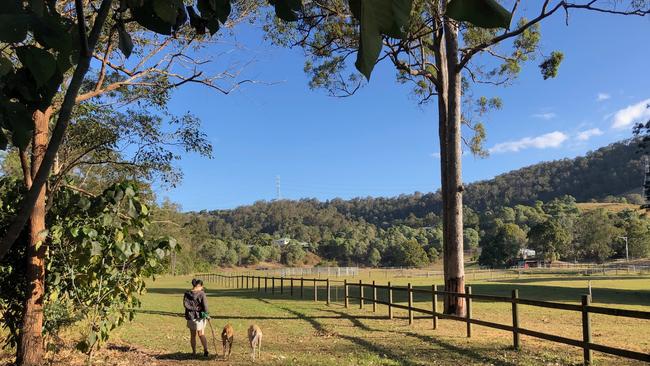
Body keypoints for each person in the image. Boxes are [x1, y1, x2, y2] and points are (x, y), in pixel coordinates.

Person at [183, 278, 210, 356]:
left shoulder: (187, 293)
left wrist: (193, 309)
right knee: (201, 334)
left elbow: (185, 305)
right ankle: (205, 350)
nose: (202, 288)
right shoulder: (202, 294)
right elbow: (205, 306)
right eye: (202, 287)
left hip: (190, 317)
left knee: (193, 335)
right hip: (199, 317)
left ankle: (194, 352)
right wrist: (206, 314)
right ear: (199, 286)